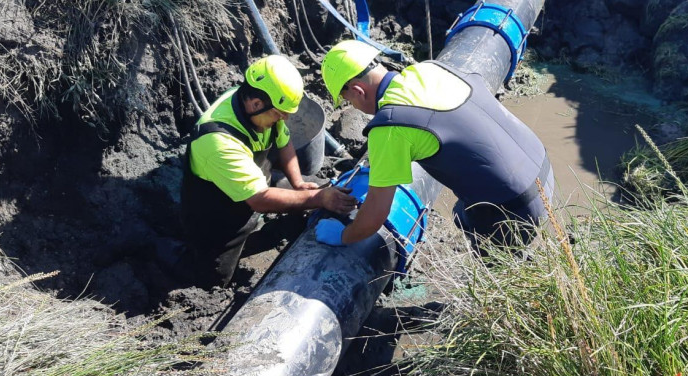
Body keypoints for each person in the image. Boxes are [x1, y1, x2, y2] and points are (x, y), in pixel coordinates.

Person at [314, 40, 554, 252]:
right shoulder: (429, 69)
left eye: (348, 101)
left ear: (358, 91)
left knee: (493, 261)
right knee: (463, 213)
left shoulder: (389, 127)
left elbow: (374, 216)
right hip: (542, 170)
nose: (353, 107)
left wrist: (344, 236)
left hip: (516, 209)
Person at [180, 55, 356, 288]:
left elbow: (283, 143)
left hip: (255, 186)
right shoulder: (218, 141)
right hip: (218, 217)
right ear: (255, 104)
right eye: (280, 114)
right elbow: (260, 199)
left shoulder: (263, 106)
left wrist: (298, 184)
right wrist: (317, 198)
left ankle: (264, 228)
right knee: (214, 281)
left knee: (313, 190)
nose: (284, 119)